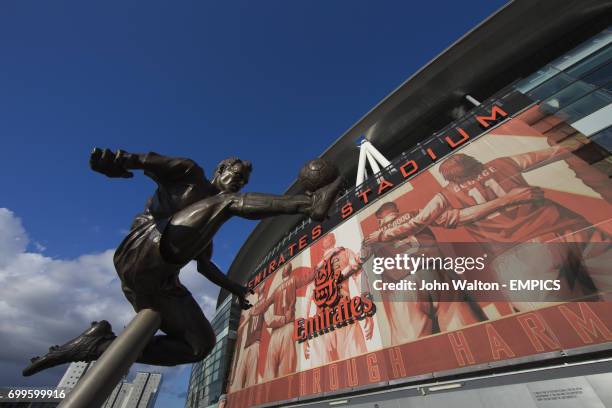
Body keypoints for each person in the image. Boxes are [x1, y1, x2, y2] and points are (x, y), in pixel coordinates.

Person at [23, 148, 342, 376]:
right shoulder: (190, 177)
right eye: (236, 175)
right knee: (226, 203)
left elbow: (204, 266)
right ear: (220, 171)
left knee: (198, 346)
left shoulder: (204, 227)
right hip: (142, 250)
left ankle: (96, 347)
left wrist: (237, 289)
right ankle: (309, 204)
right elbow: (150, 162)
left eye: (243, 182)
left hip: (156, 286)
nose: (239, 183)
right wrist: (117, 161)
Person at [365, 147, 612, 309]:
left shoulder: (445, 195)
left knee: (566, 324)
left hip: (517, 254)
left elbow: (418, 223)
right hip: (572, 230)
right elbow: (553, 152)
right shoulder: (503, 162)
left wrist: (383, 234)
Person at [360, 201, 487, 345]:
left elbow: (361, 265)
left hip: (402, 284)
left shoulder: (370, 238)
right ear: (396, 210)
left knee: (415, 351)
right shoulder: (415, 213)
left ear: (379, 220)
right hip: (436, 270)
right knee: (472, 337)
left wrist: (365, 296)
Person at [303, 233, 374, 364]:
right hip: (326, 321)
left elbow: (359, 278)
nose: (327, 237)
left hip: (340, 316)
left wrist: (368, 307)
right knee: (328, 376)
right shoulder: (317, 268)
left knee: (357, 368)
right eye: (325, 237)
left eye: (329, 236)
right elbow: (307, 298)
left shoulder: (345, 253)